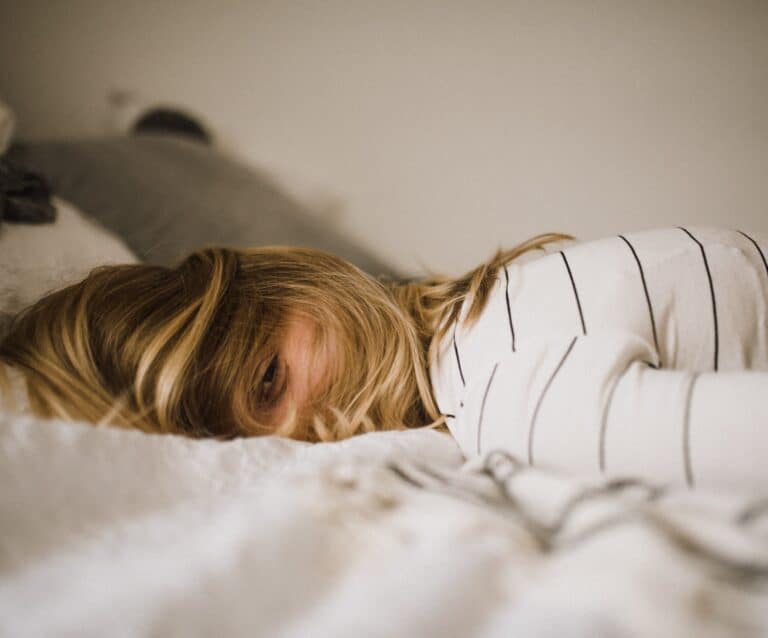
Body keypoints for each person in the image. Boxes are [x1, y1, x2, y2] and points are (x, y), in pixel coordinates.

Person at [1, 228, 767, 490]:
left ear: (290, 281)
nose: (307, 437)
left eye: (270, 379)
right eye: (255, 448)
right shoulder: (491, 361)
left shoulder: (495, 382)